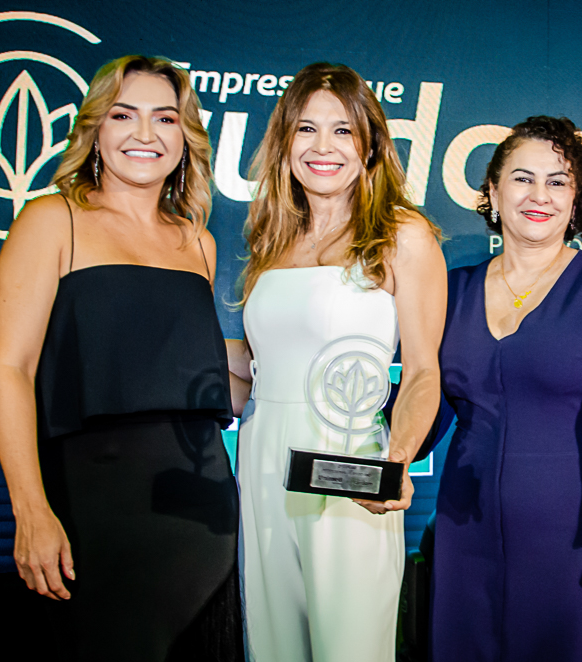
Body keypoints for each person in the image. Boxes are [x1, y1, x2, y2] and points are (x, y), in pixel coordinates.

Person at [0, 56, 241, 660]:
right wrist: (31, 510)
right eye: (124, 115)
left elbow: (195, 378)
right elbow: (9, 372)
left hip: (199, 510)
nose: (145, 135)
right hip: (87, 507)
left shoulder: (196, 241)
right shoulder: (53, 220)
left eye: (166, 118)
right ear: (95, 129)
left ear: (186, 136)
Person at [432, 116, 582, 662]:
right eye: (522, 179)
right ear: (492, 191)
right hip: (464, 532)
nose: (538, 195)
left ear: (577, 199)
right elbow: (424, 402)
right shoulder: (453, 289)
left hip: (577, 543)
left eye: (558, 181)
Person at [228, 62, 446, 662]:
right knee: (272, 645)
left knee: (349, 648)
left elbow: (424, 372)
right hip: (264, 461)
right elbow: (255, 369)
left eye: (343, 131)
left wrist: (396, 460)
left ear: (371, 143)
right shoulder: (273, 239)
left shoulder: (403, 235)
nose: (323, 147)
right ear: (284, 144)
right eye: (305, 129)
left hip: (349, 467)